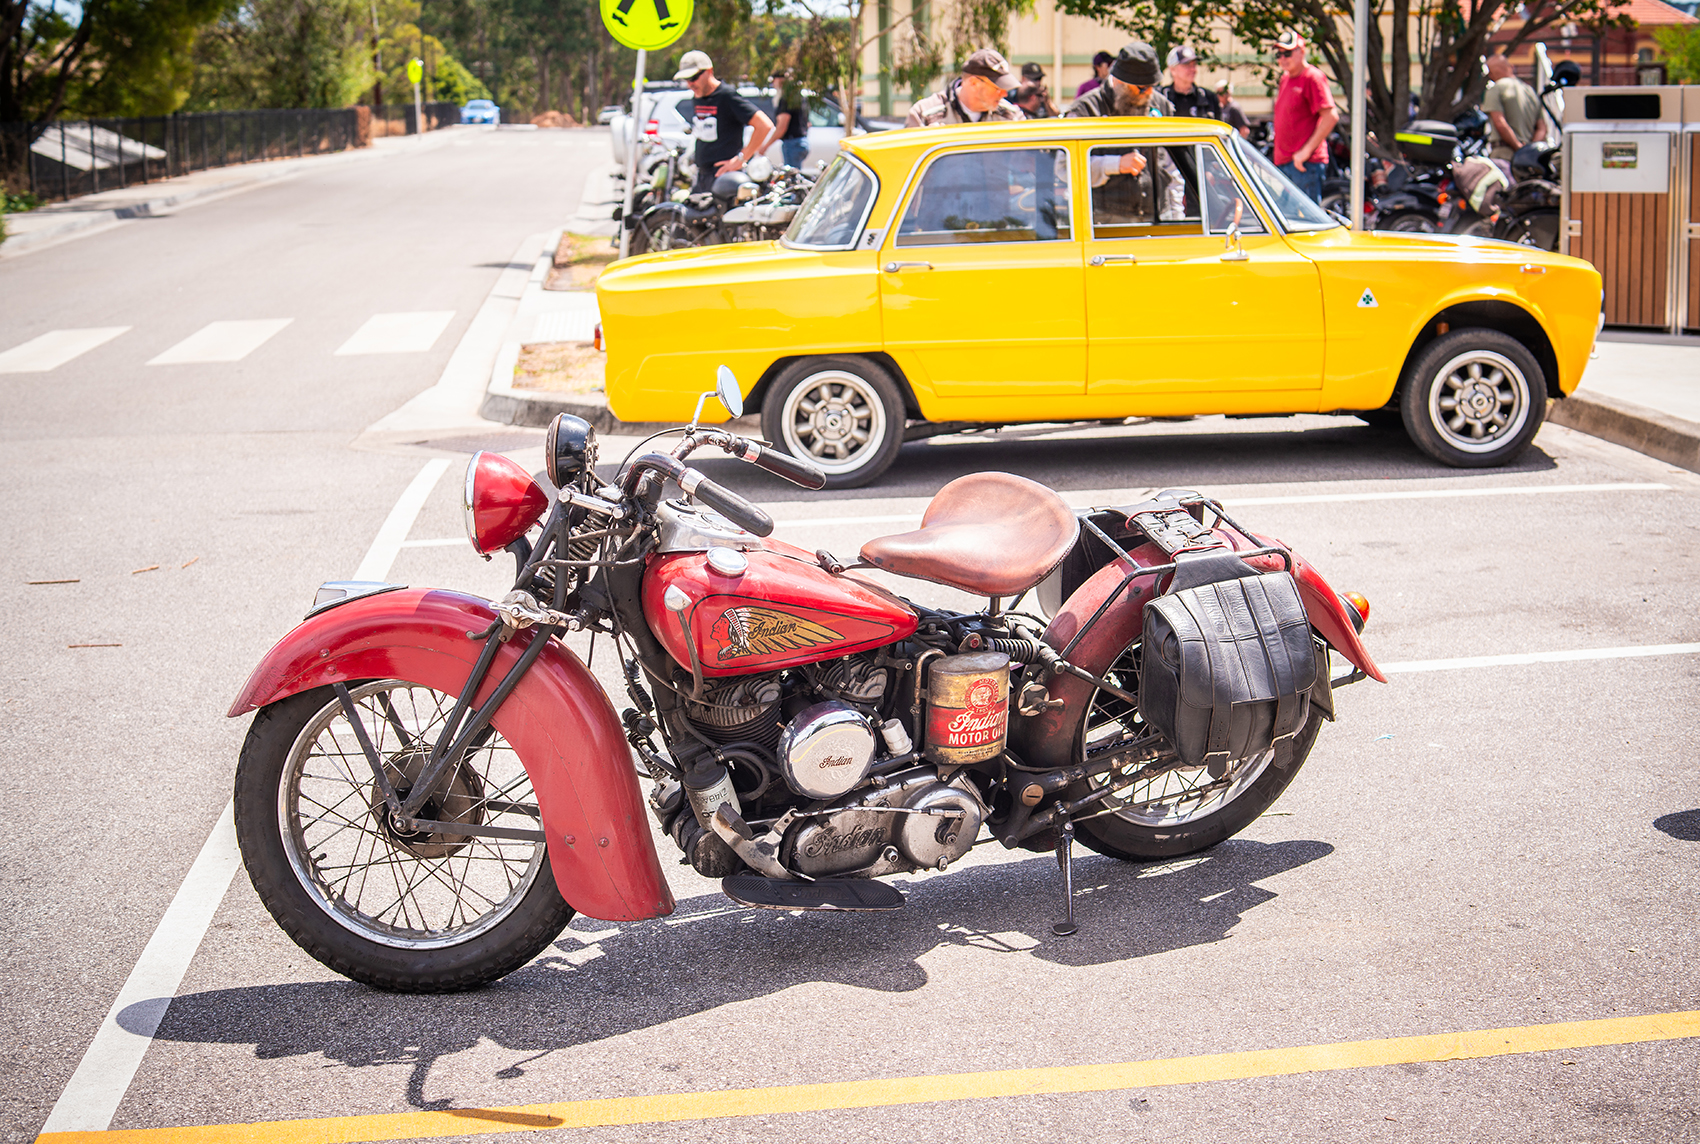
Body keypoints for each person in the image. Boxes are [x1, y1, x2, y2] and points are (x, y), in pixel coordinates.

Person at [676, 50, 775, 193]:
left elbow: (764, 125)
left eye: (693, 77)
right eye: (686, 79)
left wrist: (741, 159)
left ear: (709, 71)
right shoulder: (697, 96)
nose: (690, 84)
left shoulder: (726, 96)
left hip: (724, 178)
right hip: (702, 176)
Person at [1269, 30, 1337, 203]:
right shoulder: (1285, 78)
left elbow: (1330, 116)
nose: (1283, 58)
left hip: (1304, 165)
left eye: (1287, 53)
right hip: (1286, 163)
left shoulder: (1312, 77)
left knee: (1302, 219)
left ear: (1302, 51)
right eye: (1279, 54)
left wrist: (1305, 152)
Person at [904, 49, 1023, 126]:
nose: (1005, 94)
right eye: (998, 88)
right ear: (974, 83)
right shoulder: (926, 115)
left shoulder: (1012, 117)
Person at [1065, 41, 1174, 118]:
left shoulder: (1162, 106)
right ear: (1119, 81)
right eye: (1142, 88)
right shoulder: (1085, 110)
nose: (1150, 93)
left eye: (1152, 86)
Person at [1482, 52, 1547, 162]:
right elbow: (1542, 128)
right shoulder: (1530, 92)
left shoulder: (1495, 89)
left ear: (1491, 74)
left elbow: (1500, 123)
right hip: (1528, 158)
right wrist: (1529, 150)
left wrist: (1517, 146)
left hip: (1504, 154)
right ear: (1511, 67)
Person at [1161, 45, 1219, 120]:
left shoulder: (1208, 98)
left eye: (1194, 65)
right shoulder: (1162, 97)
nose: (1193, 69)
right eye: (1187, 65)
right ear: (1172, 69)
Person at [770, 67, 810, 169]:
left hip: (792, 143)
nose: (773, 84)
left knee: (791, 175)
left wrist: (765, 147)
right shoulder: (799, 97)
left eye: (774, 81)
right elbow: (808, 123)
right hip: (801, 142)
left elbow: (782, 127)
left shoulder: (787, 99)